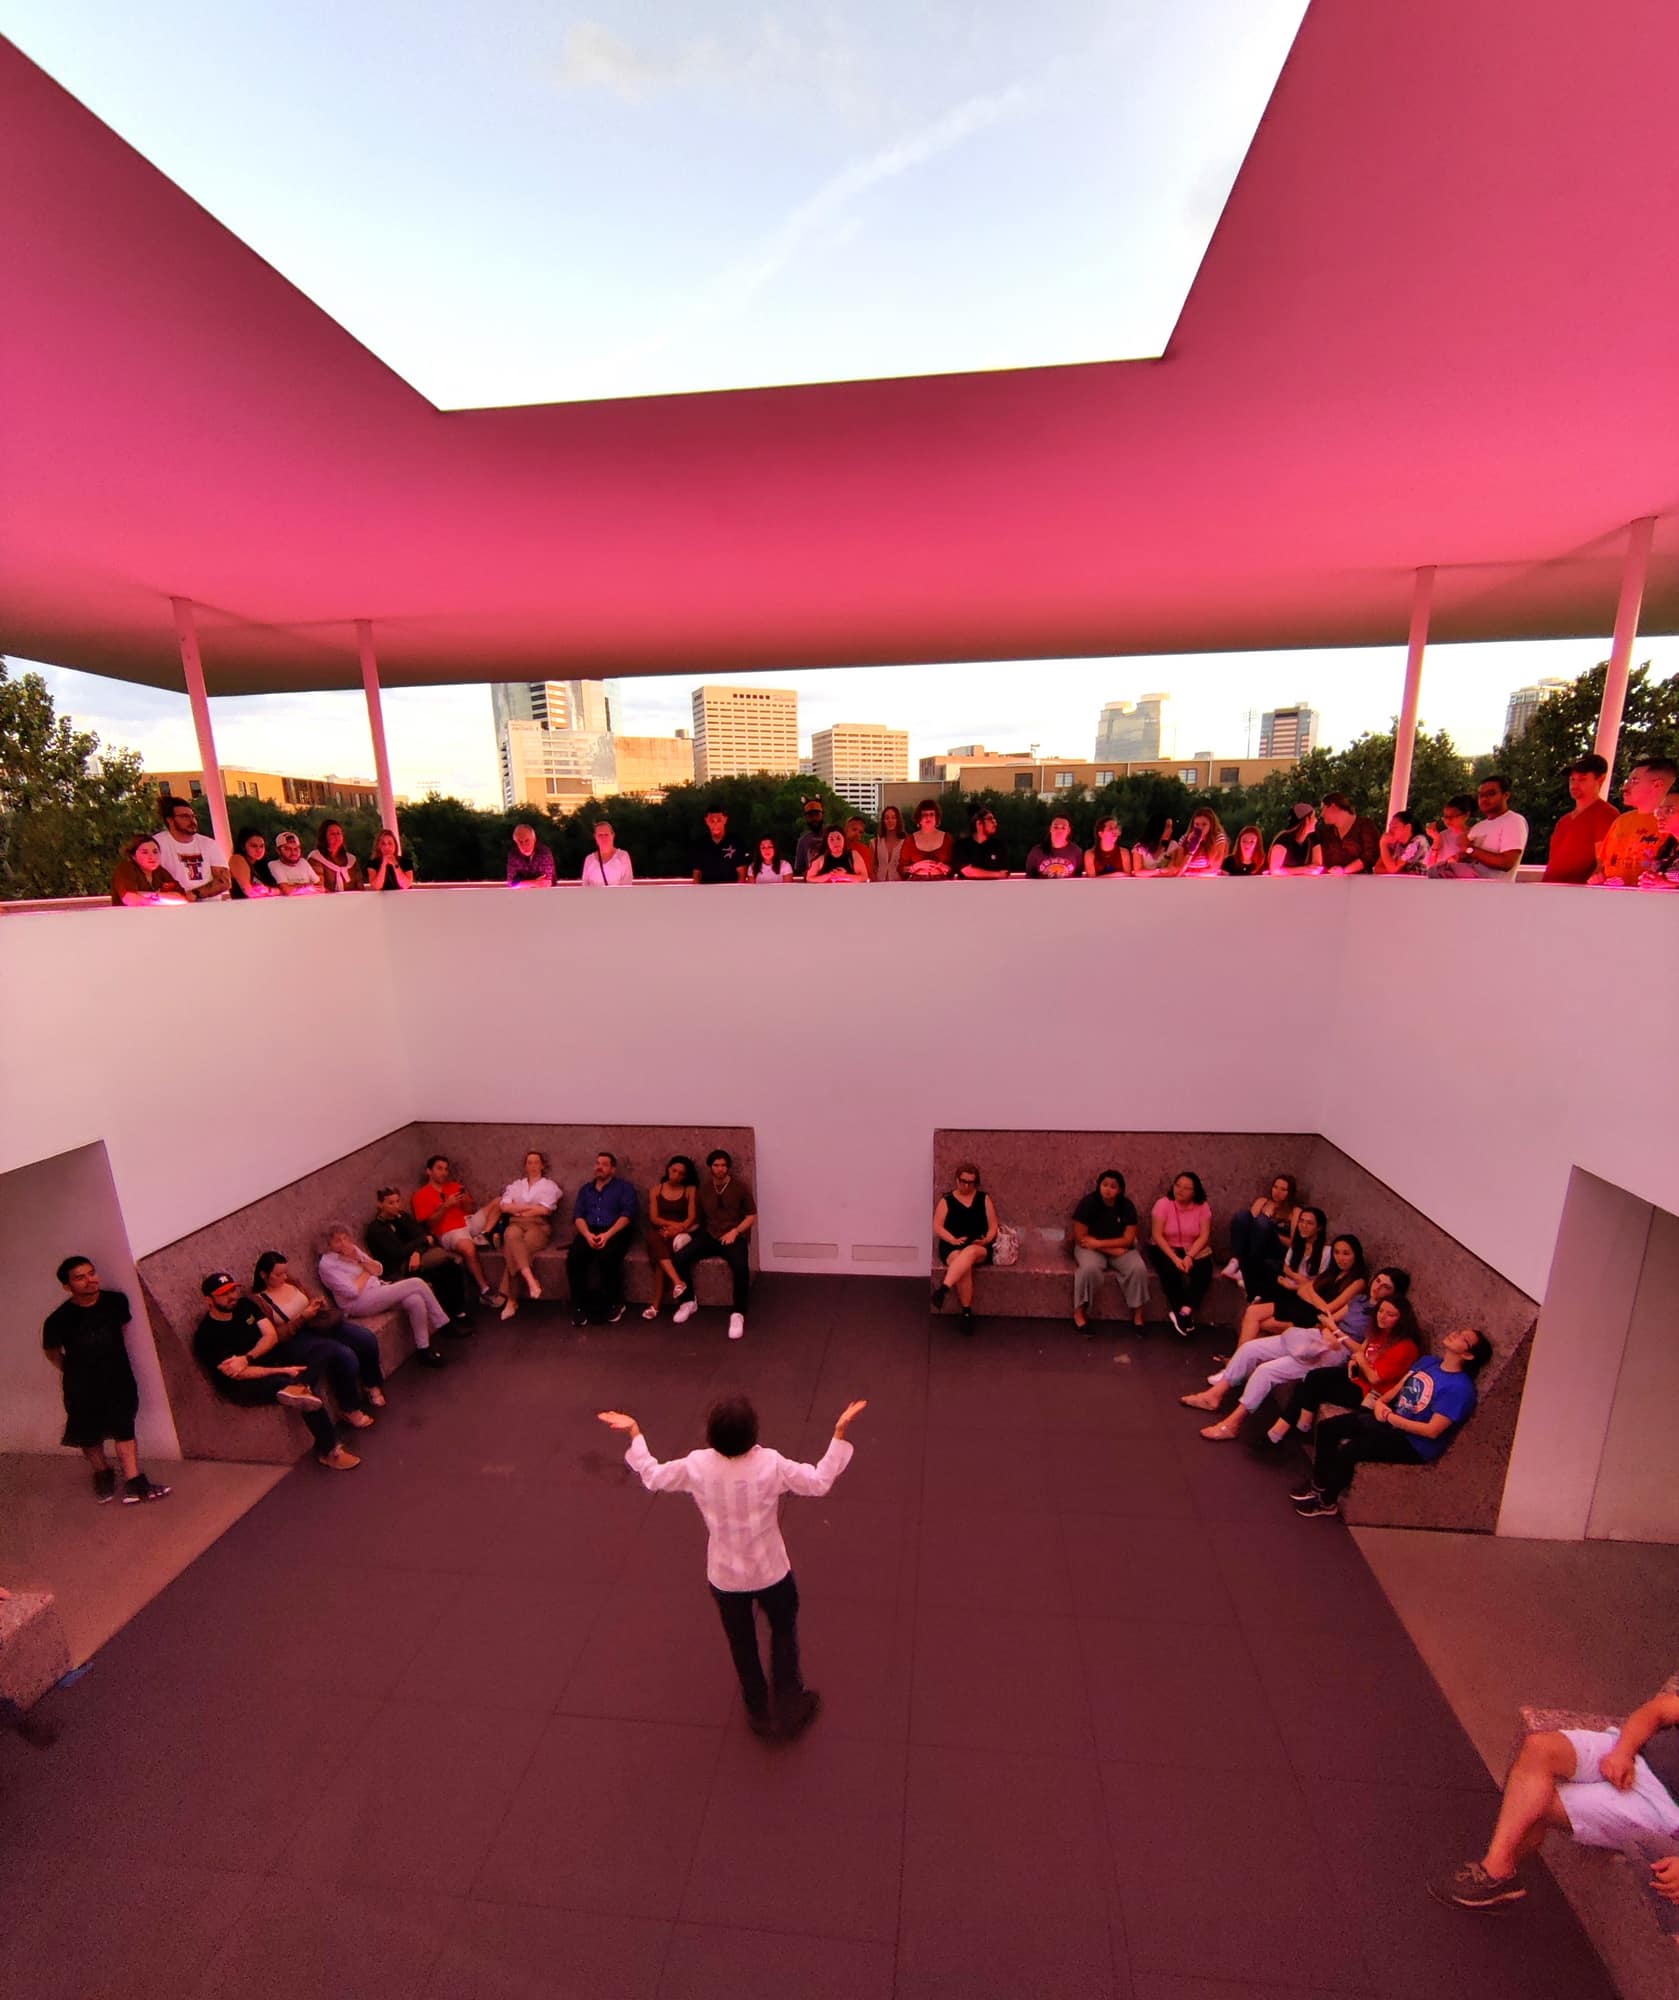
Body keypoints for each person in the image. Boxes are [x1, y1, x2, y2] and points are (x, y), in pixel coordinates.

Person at [597, 1395, 867, 1739]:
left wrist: (635, 1432)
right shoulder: (771, 1464)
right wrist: (839, 1433)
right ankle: (789, 1700)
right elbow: (818, 1481)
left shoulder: (696, 1465)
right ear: (753, 1433)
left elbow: (652, 1476)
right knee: (783, 1632)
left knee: (742, 1643)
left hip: (725, 1578)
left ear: (711, 1435)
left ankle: (758, 1710)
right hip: (772, 1571)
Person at [1429, 1680, 1679, 1928]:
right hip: (1636, 1754)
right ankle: (1499, 1866)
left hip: (1663, 1807)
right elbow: (1656, 1711)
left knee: (1540, 1803)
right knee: (1539, 1748)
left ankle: (1495, 1873)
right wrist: (1623, 1752)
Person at [1292, 1326, 1492, 1516]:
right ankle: (1318, 1484)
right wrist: (1381, 1405)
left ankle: (1326, 1501)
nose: (1454, 1335)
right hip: (1392, 1419)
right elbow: (1397, 1390)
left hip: (1414, 1443)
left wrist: (1391, 1418)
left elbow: (1432, 1431)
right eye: (1459, 1331)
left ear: (1468, 1355)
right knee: (1329, 1428)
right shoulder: (1429, 1363)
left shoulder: (1460, 1389)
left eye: (1463, 1338)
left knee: (1352, 1449)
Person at [193, 1272, 360, 1471]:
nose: (232, 1296)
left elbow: (270, 1336)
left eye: (232, 1290)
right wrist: (280, 1371)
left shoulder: (245, 1306)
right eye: (223, 1294)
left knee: (327, 1349)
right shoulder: (207, 1335)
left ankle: (307, 1387)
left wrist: (247, 1358)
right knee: (301, 1393)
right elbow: (238, 1374)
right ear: (208, 1300)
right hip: (244, 1385)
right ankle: (329, 1450)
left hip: (266, 1360)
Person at [42, 1255, 171, 1504]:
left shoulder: (115, 1302)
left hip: (118, 1377)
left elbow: (120, 1332)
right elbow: (52, 1352)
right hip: (80, 1385)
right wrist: (72, 1370)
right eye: (80, 1277)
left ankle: (133, 1481)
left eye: (92, 1273)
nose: (90, 1280)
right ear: (67, 1286)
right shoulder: (58, 1320)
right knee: (88, 1432)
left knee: (124, 1426)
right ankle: (102, 1473)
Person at [1273, 1283, 1420, 1444]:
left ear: (1402, 1319)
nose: (1382, 1316)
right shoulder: (1378, 1332)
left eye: (1390, 1314)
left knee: (1310, 1385)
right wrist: (1353, 1362)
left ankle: (1292, 1431)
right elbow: (1359, 1354)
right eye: (1381, 1311)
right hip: (1357, 1378)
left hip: (1369, 1392)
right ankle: (1288, 1430)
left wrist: (1360, 1360)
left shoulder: (1405, 1347)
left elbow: (1375, 1378)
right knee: (1310, 1379)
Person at [250, 1251, 385, 1424]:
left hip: (317, 1323)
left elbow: (307, 1297)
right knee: (344, 1355)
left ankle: (371, 1382)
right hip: (296, 1337)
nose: (284, 1277)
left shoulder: (291, 1281)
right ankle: (349, 1407)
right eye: (278, 1275)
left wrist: (316, 1304)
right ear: (263, 1275)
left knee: (365, 1338)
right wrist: (302, 1318)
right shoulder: (260, 1301)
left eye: (285, 1272)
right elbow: (276, 1335)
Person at [317, 1226, 452, 1368]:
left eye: (345, 1238)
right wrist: (366, 1271)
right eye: (338, 1241)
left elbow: (379, 1269)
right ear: (328, 1245)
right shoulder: (327, 1265)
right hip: (357, 1303)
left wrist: (360, 1261)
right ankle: (443, 1324)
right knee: (416, 1283)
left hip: (378, 1289)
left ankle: (423, 1349)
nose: (344, 1243)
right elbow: (352, 1291)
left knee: (414, 1300)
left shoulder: (353, 1251)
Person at [673, 1149, 757, 1340]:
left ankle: (738, 1313)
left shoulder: (740, 1187)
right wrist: (685, 1232)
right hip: (710, 1234)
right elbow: (699, 1220)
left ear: (728, 1167)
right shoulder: (704, 1189)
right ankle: (688, 1301)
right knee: (680, 1258)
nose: (720, 1169)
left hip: (733, 1235)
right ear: (710, 1167)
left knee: (740, 1267)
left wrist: (735, 1232)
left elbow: (751, 1215)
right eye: (716, 1165)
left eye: (724, 1165)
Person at [365, 1186, 471, 1323]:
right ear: (380, 1204)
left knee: (450, 1267)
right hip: (398, 1269)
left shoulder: (402, 1217)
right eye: (390, 1203)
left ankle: (458, 1313)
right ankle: (451, 1320)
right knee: (440, 1273)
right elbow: (398, 1252)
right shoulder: (376, 1229)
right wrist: (420, 1243)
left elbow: (425, 1235)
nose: (396, 1206)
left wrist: (417, 1252)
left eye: (398, 1201)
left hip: (415, 1260)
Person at [412, 1155, 503, 1305]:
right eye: (439, 1169)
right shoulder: (420, 1195)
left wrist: (465, 1201)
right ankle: (484, 1290)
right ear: (429, 1171)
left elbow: (470, 1210)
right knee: (468, 1248)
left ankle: (484, 1234)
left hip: (467, 1222)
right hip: (448, 1231)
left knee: (500, 1201)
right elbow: (429, 1223)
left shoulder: (454, 1186)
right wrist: (446, 1206)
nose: (444, 1172)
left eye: (446, 1169)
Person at [567, 1150, 638, 1326]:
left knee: (608, 1258)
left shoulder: (624, 1188)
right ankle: (578, 1305)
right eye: (597, 1163)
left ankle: (615, 1302)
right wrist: (587, 1235)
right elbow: (578, 1216)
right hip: (589, 1230)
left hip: (615, 1230)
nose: (599, 1167)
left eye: (604, 1164)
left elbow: (627, 1215)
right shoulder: (586, 1189)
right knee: (574, 1258)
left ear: (613, 1169)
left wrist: (607, 1235)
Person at [1070, 1169, 1148, 1329]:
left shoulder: (1127, 1206)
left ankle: (1139, 1316)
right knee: (1088, 1269)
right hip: (1089, 1248)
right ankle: (1079, 1314)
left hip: (1116, 1247)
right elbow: (1081, 1237)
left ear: (1120, 1189)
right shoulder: (1088, 1203)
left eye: (1113, 1186)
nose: (1108, 1189)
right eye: (1104, 1184)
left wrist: (1100, 1245)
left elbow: (1128, 1239)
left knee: (1138, 1268)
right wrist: (1109, 1250)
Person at [931, 1163, 997, 1333]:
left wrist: (986, 1240)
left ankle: (943, 1288)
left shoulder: (984, 1198)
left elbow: (993, 1227)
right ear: (957, 1180)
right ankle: (967, 1313)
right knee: (963, 1265)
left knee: (970, 1252)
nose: (966, 1186)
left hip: (978, 1245)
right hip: (952, 1245)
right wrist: (952, 1240)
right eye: (963, 1181)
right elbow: (937, 1226)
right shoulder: (946, 1200)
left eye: (970, 1182)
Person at [1592, 755, 1677, 886]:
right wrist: (1599, 879)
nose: (1624, 787)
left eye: (1634, 781)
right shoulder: (1621, 822)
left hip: (1654, 902)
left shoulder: (1671, 826)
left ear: (1657, 785)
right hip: (1613, 899)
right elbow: (1601, 866)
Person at [497, 1150, 562, 1320]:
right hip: (515, 1224)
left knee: (515, 1249)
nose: (533, 1166)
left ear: (542, 1165)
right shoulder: (516, 1185)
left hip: (538, 1225)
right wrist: (530, 1209)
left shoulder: (549, 1185)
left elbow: (545, 1209)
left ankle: (510, 1299)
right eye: (529, 1162)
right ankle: (531, 1280)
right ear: (525, 1166)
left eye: (536, 1162)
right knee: (511, 1236)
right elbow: (504, 1207)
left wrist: (517, 1207)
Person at [1148, 1171, 1214, 1335]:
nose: (1180, 1190)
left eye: (1186, 1188)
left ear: (1195, 1192)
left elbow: (1204, 1235)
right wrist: (1176, 1259)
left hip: (1192, 1248)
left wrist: (1190, 1256)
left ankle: (1185, 1310)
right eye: (1178, 1185)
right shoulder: (1163, 1204)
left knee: (1204, 1271)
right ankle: (1181, 1313)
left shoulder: (1202, 1206)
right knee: (1169, 1271)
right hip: (1164, 1247)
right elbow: (1157, 1235)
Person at [1541, 753, 1619, 884]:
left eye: (1582, 779)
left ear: (1601, 779)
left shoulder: (1605, 814)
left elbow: (1603, 863)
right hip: (1550, 891)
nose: (1575, 785)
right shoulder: (1564, 820)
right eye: (1572, 779)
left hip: (1576, 896)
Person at [1431, 775, 1527, 880]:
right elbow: (1471, 857)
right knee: (1436, 870)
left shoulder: (1513, 820)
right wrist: (1463, 856)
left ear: (1506, 795)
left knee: (1436, 871)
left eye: (1491, 794)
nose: (1485, 799)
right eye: (1481, 795)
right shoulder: (1479, 826)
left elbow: (1506, 863)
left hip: (1493, 891)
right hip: (1468, 888)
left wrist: (1469, 849)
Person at [1220, 1174, 1301, 1296]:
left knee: (1263, 1223)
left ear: (1290, 1192)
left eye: (1283, 1189)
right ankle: (1236, 1261)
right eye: (1275, 1187)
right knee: (1242, 1216)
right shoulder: (1262, 1202)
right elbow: (1247, 1227)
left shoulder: (1295, 1212)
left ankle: (1245, 1268)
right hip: (1255, 1246)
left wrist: (1271, 1232)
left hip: (1276, 1250)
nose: (1277, 1192)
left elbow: (1294, 1244)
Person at [642, 1155, 697, 1320]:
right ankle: (678, 1283)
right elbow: (654, 1218)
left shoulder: (690, 1190)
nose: (676, 1175)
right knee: (656, 1244)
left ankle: (656, 1304)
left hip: (681, 1232)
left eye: (681, 1173)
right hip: (661, 1230)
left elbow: (691, 1216)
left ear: (685, 1176)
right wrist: (670, 1226)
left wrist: (678, 1229)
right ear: (668, 1169)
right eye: (674, 1171)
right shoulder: (656, 1190)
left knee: (660, 1257)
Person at [153, 796, 231, 901]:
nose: (192, 820)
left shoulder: (209, 844)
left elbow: (225, 881)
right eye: (185, 816)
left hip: (210, 908)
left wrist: (194, 894)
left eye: (193, 816)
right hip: (173, 907)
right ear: (170, 820)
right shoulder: (157, 843)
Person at [110, 834, 190, 907]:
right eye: (145, 852)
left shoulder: (159, 871)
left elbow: (182, 897)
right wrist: (163, 898)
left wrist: (150, 895)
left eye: (155, 852)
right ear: (133, 856)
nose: (152, 856)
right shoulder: (126, 868)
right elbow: (129, 898)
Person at [1316, 793, 1380, 875]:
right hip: (1331, 882)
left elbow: (1371, 855)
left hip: (1361, 882)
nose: (1322, 814)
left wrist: (1345, 870)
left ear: (1333, 806)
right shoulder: (1326, 832)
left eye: (1323, 809)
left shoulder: (1365, 825)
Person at [1163, 807, 1228, 876]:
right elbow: (1179, 870)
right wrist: (1192, 847)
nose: (1200, 828)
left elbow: (1213, 868)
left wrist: (1189, 872)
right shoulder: (1185, 839)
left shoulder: (1218, 839)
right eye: (1197, 824)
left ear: (1211, 825)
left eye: (1204, 824)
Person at [901, 800, 956, 880]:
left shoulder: (947, 839)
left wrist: (947, 868)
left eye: (931, 814)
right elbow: (901, 868)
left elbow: (955, 865)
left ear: (937, 818)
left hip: (942, 885)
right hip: (916, 885)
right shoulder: (909, 840)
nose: (928, 817)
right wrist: (914, 867)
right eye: (924, 815)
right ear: (919, 818)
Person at [692, 808, 747, 884]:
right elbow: (697, 873)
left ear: (725, 819)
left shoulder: (736, 842)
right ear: (706, 821)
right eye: (712, 821)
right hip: (707, 891)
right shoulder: (700, 844)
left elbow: (741, 873)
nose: (715, 824)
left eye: (719, 820)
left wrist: (738, 892)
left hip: (730, 891)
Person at [953, 806, 1009, 879]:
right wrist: (996, 874)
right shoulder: (962, 846)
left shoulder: (999, 845)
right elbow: (967, 871)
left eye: (994, 819)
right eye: (990, 819)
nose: (995, 823)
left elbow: (1004, 873)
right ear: (979, 823)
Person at [1638, 792, 1679, 888]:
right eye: (1658, 811)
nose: (1660, 816)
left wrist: (1668, 884)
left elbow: (1664, 884)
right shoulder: (1668, 848)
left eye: (1669, 810)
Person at [309, 819, 363, 892]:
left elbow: (360, 886)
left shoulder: (352, 859)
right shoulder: (316, 857)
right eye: (332, 834)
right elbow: (319, 887)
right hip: (327, 901)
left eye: (339, 833)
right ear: (324, 837)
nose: (336, 837)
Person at [1424, 793, 1475, 872]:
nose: (1448, 821)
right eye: (1445, 817)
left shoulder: (1474, 834)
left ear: (1466, 815)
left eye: (1452, 817)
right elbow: (1430, 866)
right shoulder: (1443, 835)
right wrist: (1436, 840)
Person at [1025, 814, 1084, 879]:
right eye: (1056, 827)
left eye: (1063, 828)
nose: (1059, 830)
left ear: (1068, 831)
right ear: (1050, 829)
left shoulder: (1076, 852)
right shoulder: (1036, 852)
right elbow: (1029, 878)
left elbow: (1078, 878)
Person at [1268, 804, 1322, 873]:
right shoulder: (1284, 840)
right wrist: (1303, 869)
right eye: (1313, 817)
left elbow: (1317, 865)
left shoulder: (1313, 838)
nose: (1316, 820)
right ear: (1306, 820)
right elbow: (1275, 869)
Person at [581, 817, 634, 885]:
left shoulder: (623, 857)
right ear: (595, 837)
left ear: (613, 835)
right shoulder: (589, 859)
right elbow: (585, 886)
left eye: (606, 835)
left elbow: (627, 884)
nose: (603, 838)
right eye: (600, 835)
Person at [1375, 810, 1430, 875]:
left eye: (1394, 827)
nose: (1389, 831)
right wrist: (1401, 873)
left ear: (1408, 827)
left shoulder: (1417, 842)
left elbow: (1392, 869)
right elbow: (1378, 868)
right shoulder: (1395, 842)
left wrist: (1383, 844)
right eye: (1390, 827)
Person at [229, 827, 278, 899]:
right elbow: (249, 891)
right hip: (244, 907)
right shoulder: (237, 859)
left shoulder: (260, 866)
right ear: (243, 846)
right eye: (254, 846)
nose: (259, 850)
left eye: (261, 846)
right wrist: (271, 891)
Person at [268, 828, 322, 892]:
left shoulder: (303, 862)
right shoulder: (274, 865)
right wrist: (308, 886)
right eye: (288, 849)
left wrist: (296, 886)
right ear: (278, 851)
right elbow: (286, 890)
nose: (293, 852)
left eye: (296, 849)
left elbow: (320, 886)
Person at [506, 822, 555, 889]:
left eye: (527, 840)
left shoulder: (544, 853)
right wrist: (535, 882)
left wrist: (521, 882)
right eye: (520, 842)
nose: (524, 845)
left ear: (534, 839)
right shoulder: (513, 855)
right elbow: (511, 883)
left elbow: (546, 882)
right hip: (521, 896)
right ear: (516, 842)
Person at [366, 827, 414, 891]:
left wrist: (395, 864)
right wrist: (383, 864)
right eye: (383, 844)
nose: (387, 847)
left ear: (395, 845)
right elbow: (377, 886)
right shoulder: (372, 864)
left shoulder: (406, 862)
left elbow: (406, 885)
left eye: (390, 843)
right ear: (379, 846)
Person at [792, 798, 829, 878]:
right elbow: (799, 869)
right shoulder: (803, 841)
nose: (814, 819)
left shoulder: (833, 836)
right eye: (810, 816)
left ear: (822, 815)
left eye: (817, 815)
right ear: (806, 818)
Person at [872, 803, 908, 882]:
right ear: (883, 821)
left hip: (899, 885)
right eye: (887, 818)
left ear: (898, 820)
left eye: (893, 817)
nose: (890, 821)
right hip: (879, 885)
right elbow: (872, 867)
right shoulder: (875, 842)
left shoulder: (906, 843)